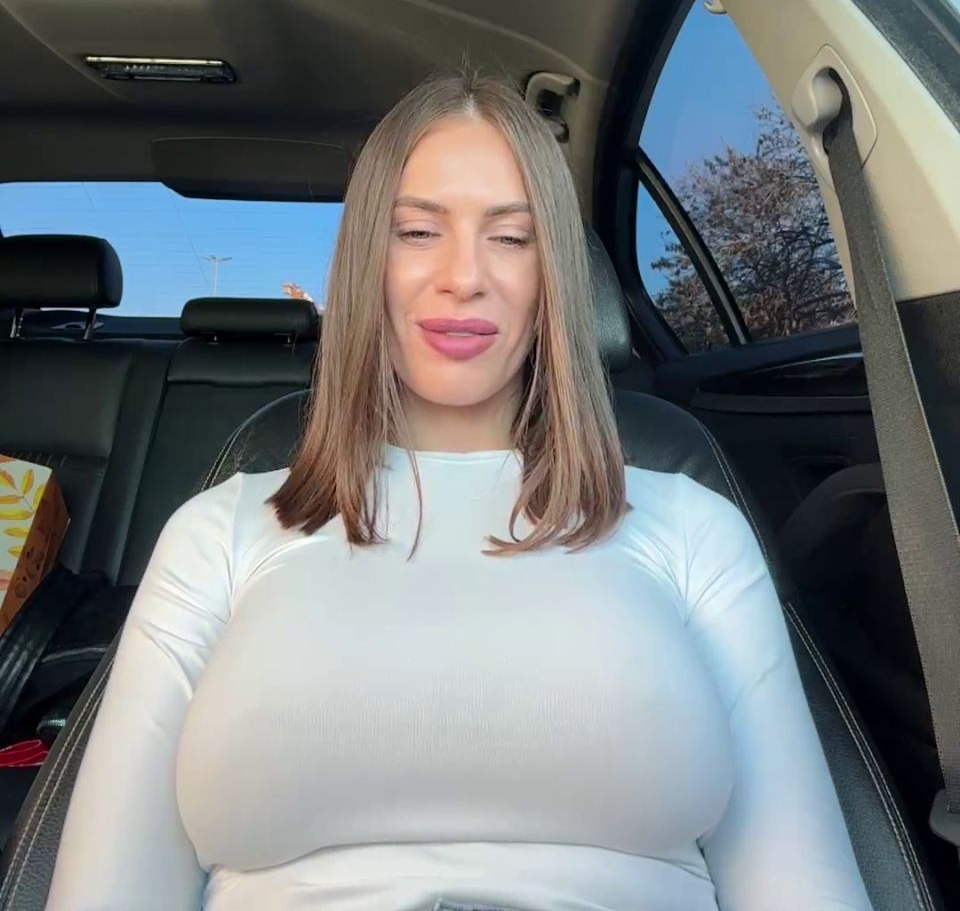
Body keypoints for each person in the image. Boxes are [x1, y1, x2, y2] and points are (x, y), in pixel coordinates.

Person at [46, 70, 873, 911]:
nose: (463, 276)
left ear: (556, 276)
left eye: (511, 237)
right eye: (417, 231)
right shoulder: (217, 535)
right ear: (367, 261)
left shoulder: (694, 529)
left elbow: (802, 883)